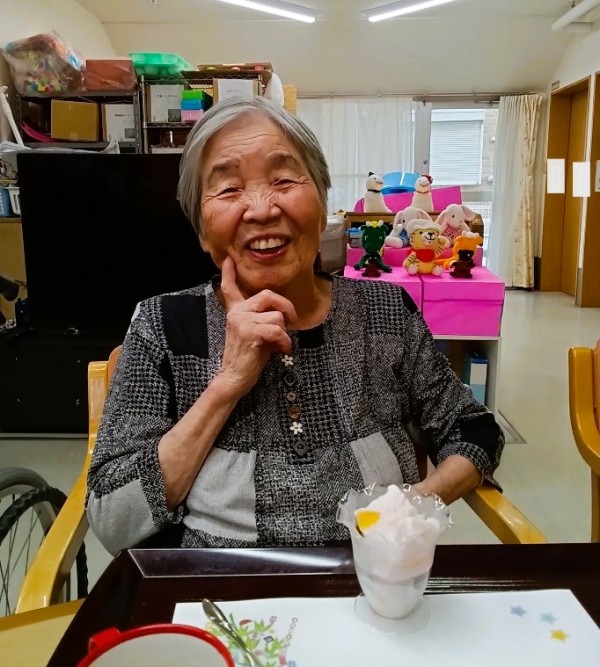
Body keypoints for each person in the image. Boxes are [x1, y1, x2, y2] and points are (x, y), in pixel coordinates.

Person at [87, 96, 504, 555]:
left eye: (284, 180)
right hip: (214, 586)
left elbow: (474, 429)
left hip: (373, 575)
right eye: (229, 189)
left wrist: (411, 507)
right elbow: (113, 518)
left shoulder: (385, 312)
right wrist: (227, 384)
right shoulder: (162, 325)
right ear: (202, 230)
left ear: (323, 206)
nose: (261, 209)